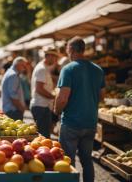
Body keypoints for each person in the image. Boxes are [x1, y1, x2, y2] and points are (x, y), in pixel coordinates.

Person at [54, 37, 105, 182]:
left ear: (70, 50)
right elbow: (102, 96)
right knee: (87, 160)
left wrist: (56, 111)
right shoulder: (98, 70)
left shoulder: (68, 69)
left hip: (71, 123)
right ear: (83, 49)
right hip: (90, 122)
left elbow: (62, 98)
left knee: (68, 161)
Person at [30, 50, 58, 138]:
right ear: (49, 56)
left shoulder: (43, 68)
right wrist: (54, 97)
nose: (55, 60)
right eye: (54, 57)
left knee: (43, 136)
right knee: (44, 137)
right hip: (41, 106)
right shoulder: (41, 69)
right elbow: (39, 89)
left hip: (42, 106)